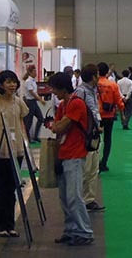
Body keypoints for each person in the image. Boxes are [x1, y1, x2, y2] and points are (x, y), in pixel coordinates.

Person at [49, 72, 95, 247]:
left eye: (54, 88)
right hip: (63, 154)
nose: (53, 92)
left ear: (62, 88)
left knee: (74, 196)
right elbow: (57, 127)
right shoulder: (63, 105)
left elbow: (59, 127)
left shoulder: (76, 103)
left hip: (75, 155)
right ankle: (71, 230)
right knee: (65, 198)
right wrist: (57, 126)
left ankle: (84, 231)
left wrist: (57, 125)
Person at [0, 70, 29, 237]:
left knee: (12, 187)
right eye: (8, 82)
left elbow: (21, 123)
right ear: (1, 85)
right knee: (1, 187)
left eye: (14, 82)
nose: (12, 85)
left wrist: (25, 143)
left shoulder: (19, 102)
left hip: (16, 150)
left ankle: (10, 224)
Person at [74, 64, 105, 212]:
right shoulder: (81, 92)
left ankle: (89, 200)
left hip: (95, 135)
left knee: (93, 169)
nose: (99, 76)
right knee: (85, 170)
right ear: (93, 77)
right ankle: (79, 200)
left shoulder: (93, 90)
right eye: (97, 74)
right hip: (85, 136)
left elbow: (94, 111)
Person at [96, 62, 125, 172]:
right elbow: (119, 101)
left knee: (94, 139)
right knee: (108, 140)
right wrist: (122, 115)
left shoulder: (94, 84)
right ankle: (104, 163)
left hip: (96, 115)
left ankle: (94, 162)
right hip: (109, 115)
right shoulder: (112, 85)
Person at [22, 64, 45, 143]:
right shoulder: (28, 81)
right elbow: (32, 92)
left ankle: (35, 136)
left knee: (40, 118)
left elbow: (35, 92)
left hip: (34, 102)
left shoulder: (33, 81)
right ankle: (27, 138)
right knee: (28, 122)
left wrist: (39, 98)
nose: (36, 73)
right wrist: (40, 100)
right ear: (30, 72)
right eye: (34, 71)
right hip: (29, 102)